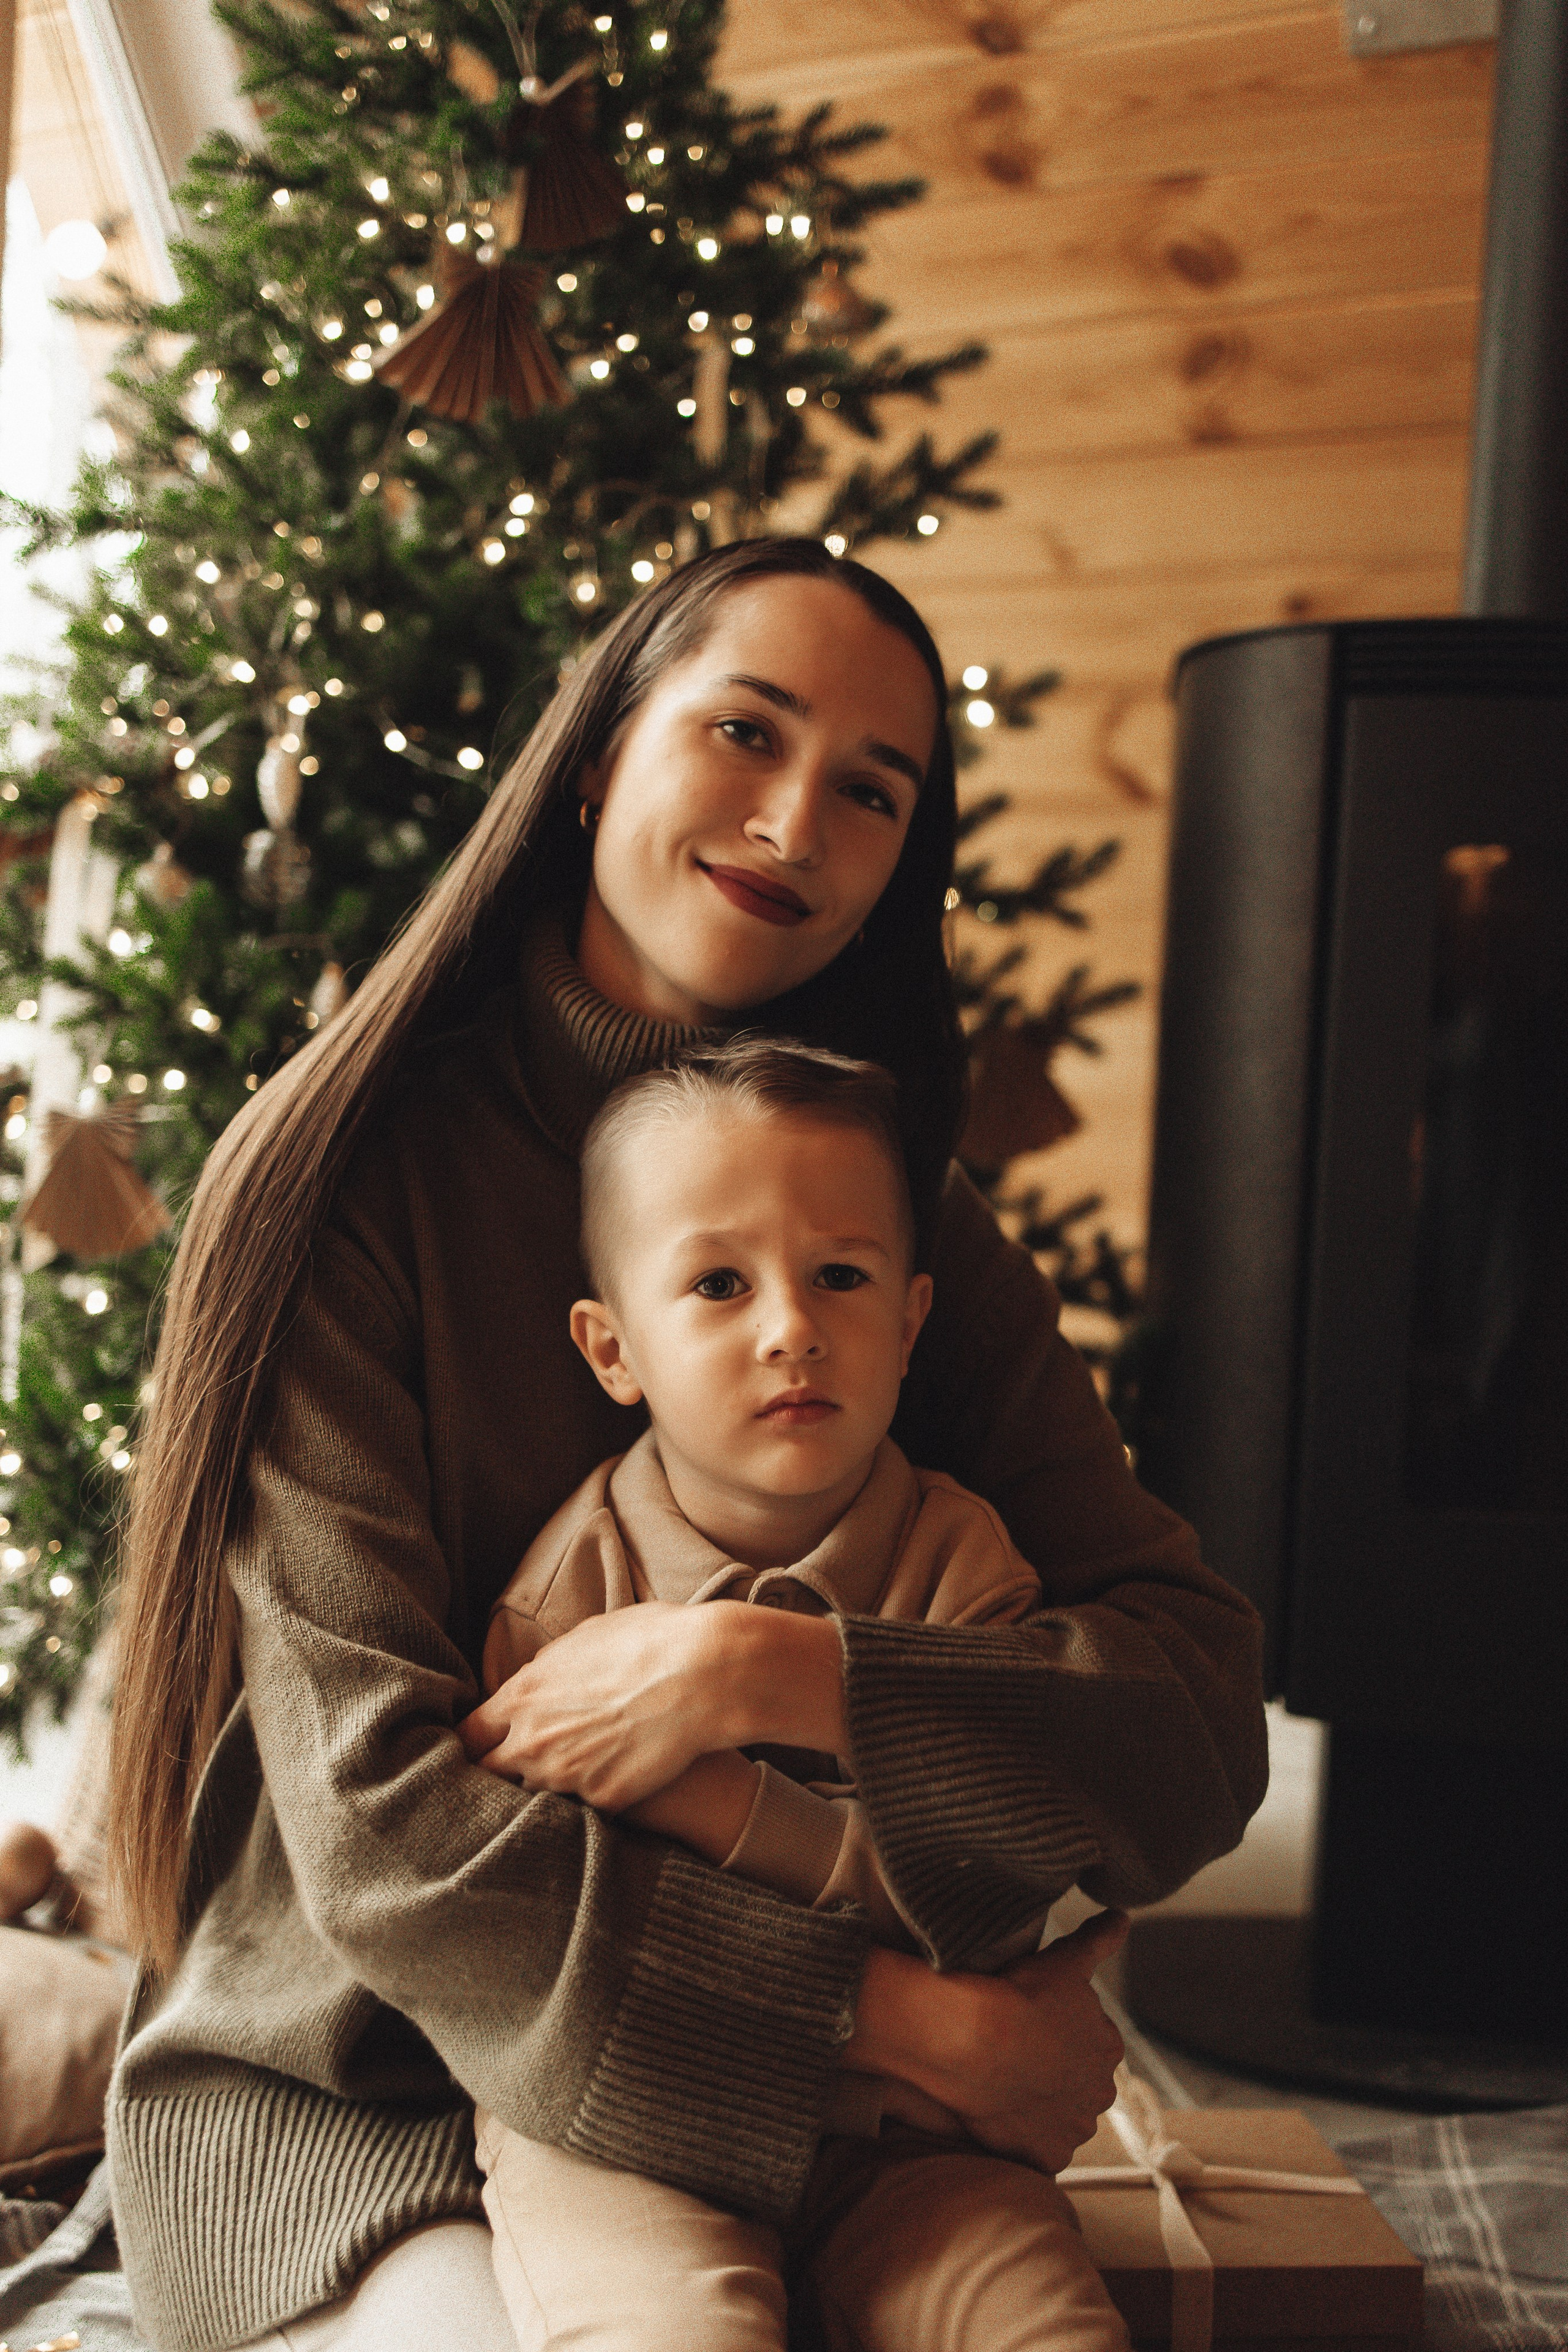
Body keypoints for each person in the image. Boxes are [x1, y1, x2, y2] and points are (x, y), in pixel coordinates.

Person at [105, 538, 1268, 2352]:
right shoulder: (351, 1182)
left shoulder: (898, 1225)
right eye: (745, 730)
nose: (796, 822)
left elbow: (1192, 1717)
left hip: (849, 2146)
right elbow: (388, 1831)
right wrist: (907, 2027)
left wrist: (760, 1673)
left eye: (872, 790)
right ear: (595, 763)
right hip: (369, 2087)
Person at [468, 1035, 1137, 2352]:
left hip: (914, 2139)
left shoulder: (962, 1567)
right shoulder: (565, 1603)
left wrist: (715, 1802)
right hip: (625, 2126)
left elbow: (983, 1910)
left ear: (911, 1322)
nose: (792, 1328)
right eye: (719, 1284)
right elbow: (548, 1934)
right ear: (613, 1350)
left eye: (841, 1275)